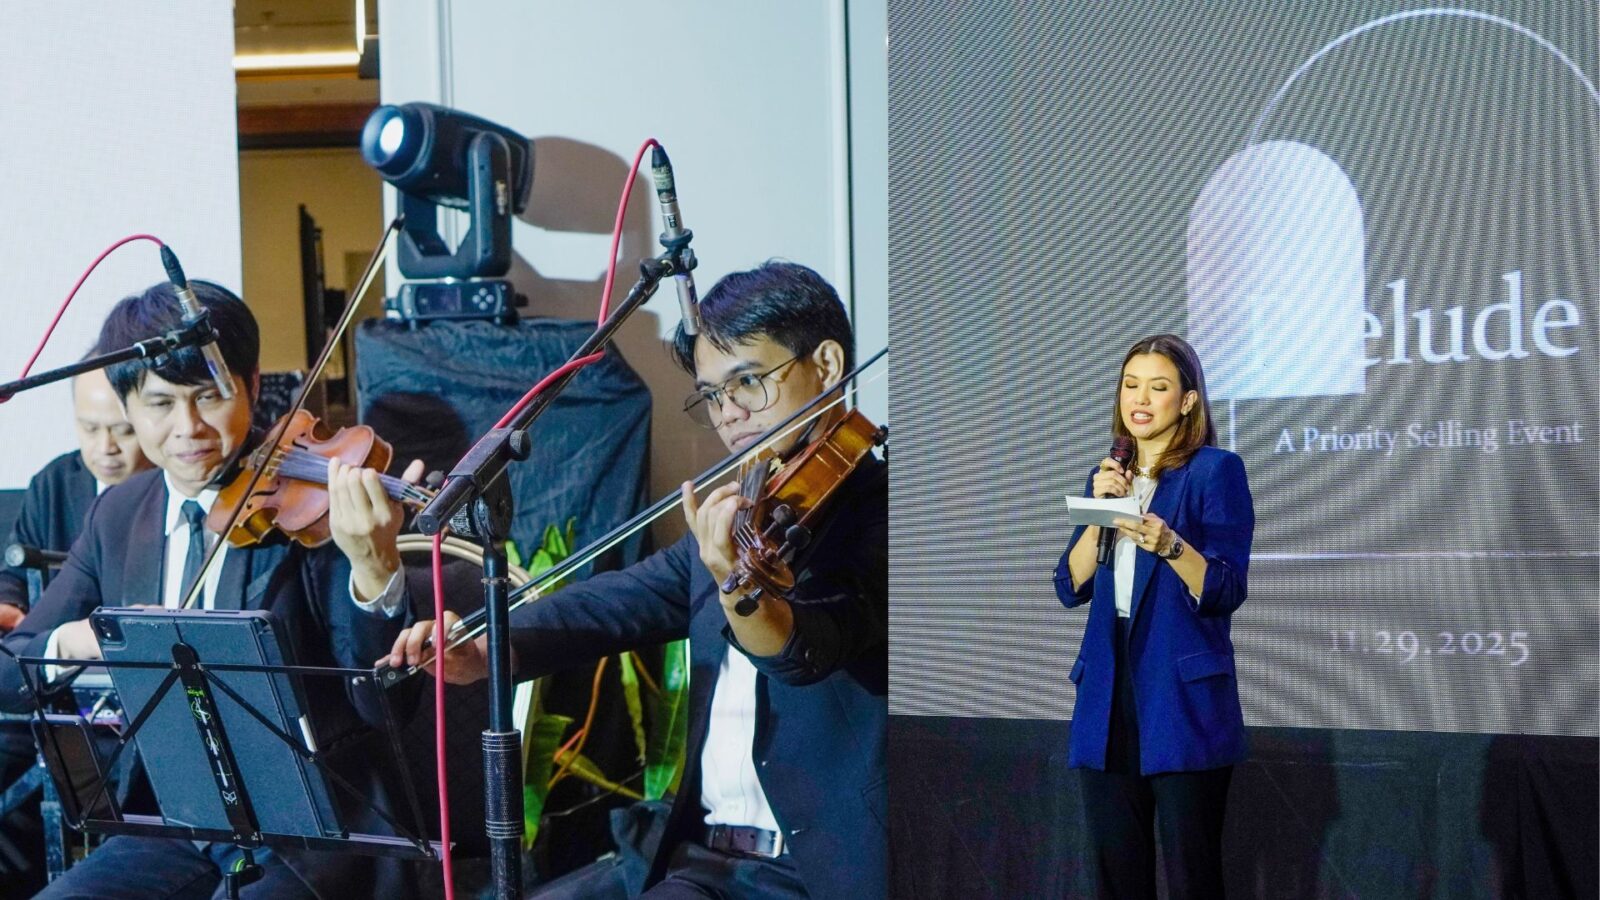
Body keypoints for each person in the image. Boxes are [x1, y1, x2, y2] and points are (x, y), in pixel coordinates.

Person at [387, 261, 887, 900]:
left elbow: (804, 650)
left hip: (816, 874)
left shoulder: (887, 517)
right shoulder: (745, 517)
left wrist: (737, 581)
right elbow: (611, 604)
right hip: (706, 861)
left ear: (827, 364)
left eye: (748, 382)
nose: (730, 415)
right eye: (712, 396)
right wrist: (487, 647)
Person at [0, 280, 423, 899]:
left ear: (251, 385)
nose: (189, 427)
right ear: (128, 405)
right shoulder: (118, 514)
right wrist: (77, 640)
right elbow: (13, 668)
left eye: (210, 396)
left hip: (314, 834)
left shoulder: (310, 508)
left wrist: (374, 568)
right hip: (173, 825)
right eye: (160, 403)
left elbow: (383, 706)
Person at [1054, 333, 1254, 899]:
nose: (1140, 398)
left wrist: (1171, 545)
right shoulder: (1106, 476)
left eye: (1158, 387)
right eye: (1131, 384)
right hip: (1108, 691)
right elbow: (1069, 585)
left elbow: (1226, 588)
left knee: (1193, 876)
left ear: (1187, 401)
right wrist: (1101, 512)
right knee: (1117, 876)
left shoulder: (1215, 471)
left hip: (1180, 694)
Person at [0, 368, 152, 629]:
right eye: (90, 428)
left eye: (124, 431)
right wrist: (8, 604)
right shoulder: (55, 481)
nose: (106, 447)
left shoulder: (171, 491)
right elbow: (15, 574)